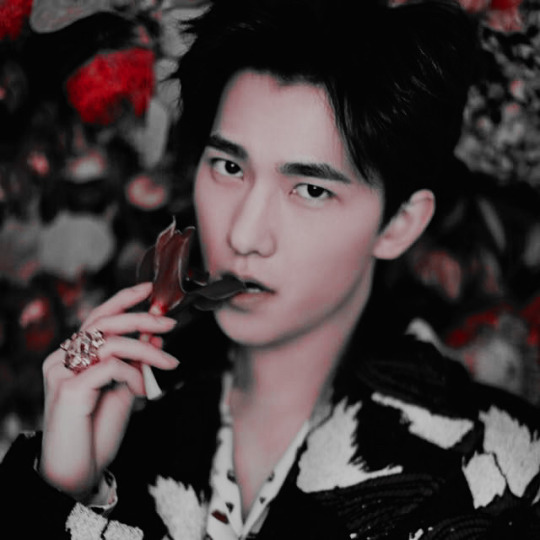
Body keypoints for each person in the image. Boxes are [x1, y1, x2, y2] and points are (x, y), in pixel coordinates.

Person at [1, 0, 539, 538]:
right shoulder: (131, 435)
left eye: (311, 190)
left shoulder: (503, 467)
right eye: (229, 166)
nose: (243, 235)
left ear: (399, 223)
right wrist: (68, 493)